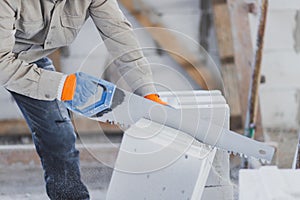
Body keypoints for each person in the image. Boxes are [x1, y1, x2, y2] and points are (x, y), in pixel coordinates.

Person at [0, 0, 166, 199]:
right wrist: (62, 86)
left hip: (27, 61)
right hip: (3, 59)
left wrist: (147, 92)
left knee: (58, 134)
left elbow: (120, 37)